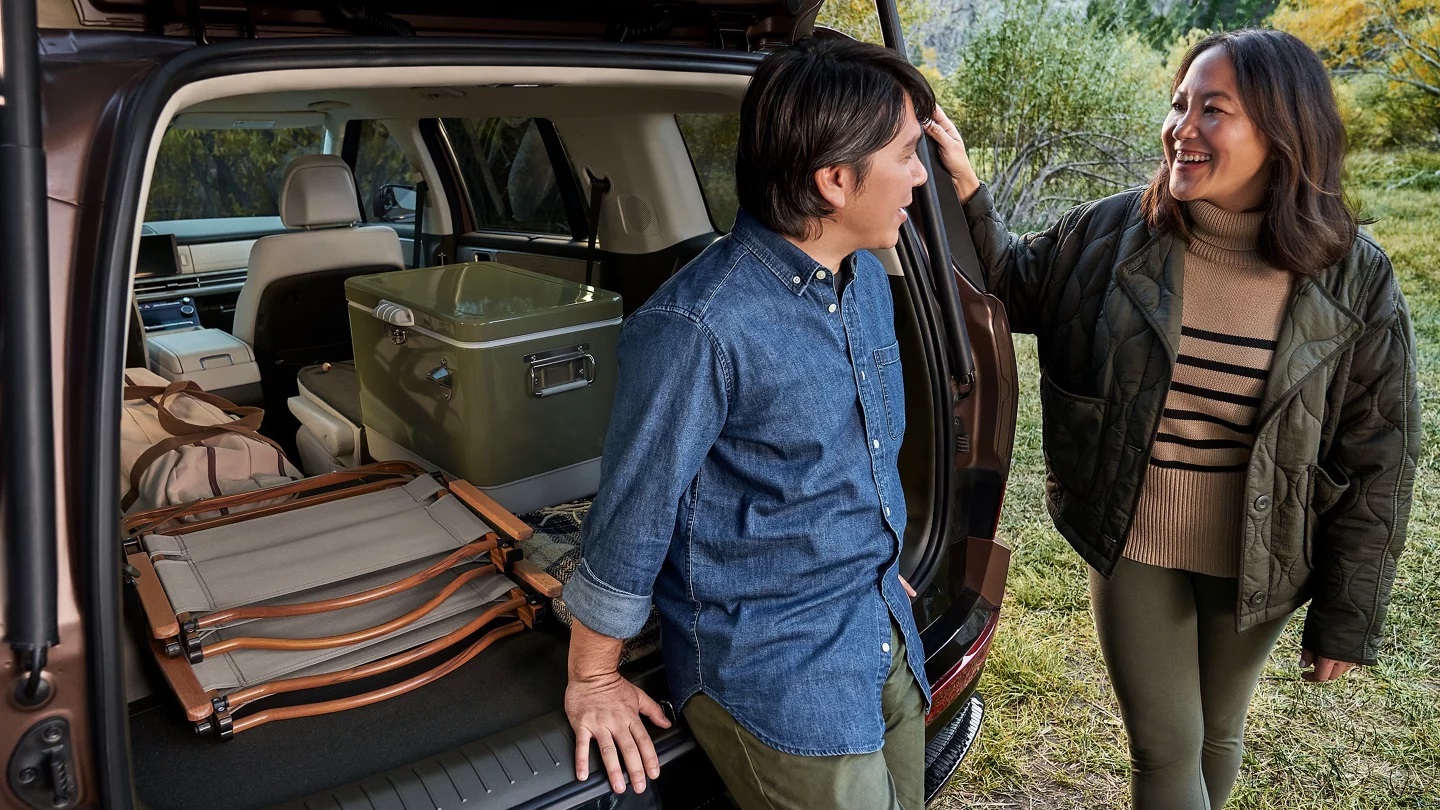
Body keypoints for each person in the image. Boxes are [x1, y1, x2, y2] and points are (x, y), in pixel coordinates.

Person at [924, 28, 1420, 809]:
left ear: (1283, 131)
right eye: (1179, 104)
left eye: (1212, 110)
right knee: (1165, 749)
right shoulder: (1116, 232)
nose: (1181, 128)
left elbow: (1379, 457)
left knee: (1217, 733)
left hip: (1264, 548)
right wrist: (961, 187)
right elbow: (1013, 285)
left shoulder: (1354, 275)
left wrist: (1346, 619)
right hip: (1136, 535)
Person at [560, 38, 935, 809]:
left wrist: (870, 551)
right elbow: (636, 506)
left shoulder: (862, 278)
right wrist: (593, 674)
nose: (920, 176)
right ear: (835, 180)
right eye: (906, 154)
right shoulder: (699, 326)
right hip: (780, 666)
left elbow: (849, 455)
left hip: (879, 620)